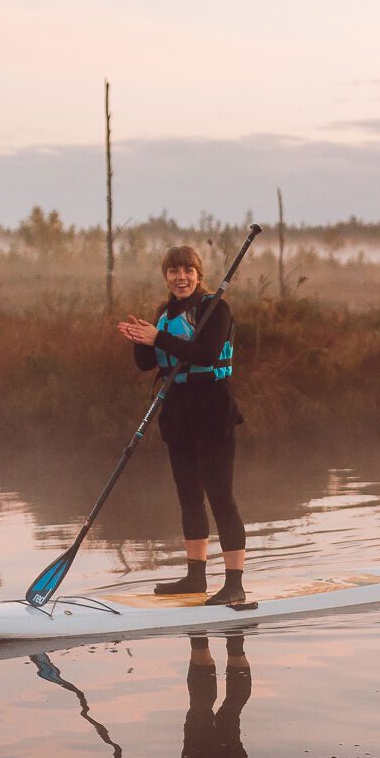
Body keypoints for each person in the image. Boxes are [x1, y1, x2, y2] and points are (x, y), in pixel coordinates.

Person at [118, 246, 249, 607]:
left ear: (198, 273)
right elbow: (149, 363)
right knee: (189, 495)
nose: (181, 278)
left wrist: (158, 338)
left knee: (220, 495)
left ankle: (234, 583)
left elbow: (206, 354)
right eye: (174, 271)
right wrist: (139, 340)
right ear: (166, 277)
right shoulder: (164, 314)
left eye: (187, 270)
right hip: (178, 413)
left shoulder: (215, 309)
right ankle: (195, 577)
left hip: (213, 410)